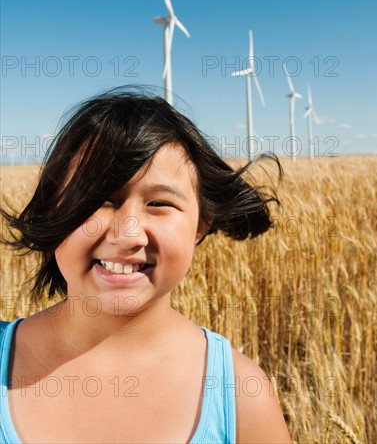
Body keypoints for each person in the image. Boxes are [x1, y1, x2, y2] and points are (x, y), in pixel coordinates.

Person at [0, 87, 291, 444]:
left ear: (201, 224)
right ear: (52, 211)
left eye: (159, 203)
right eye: (100, 200)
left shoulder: (242, 397)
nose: (128, 234)